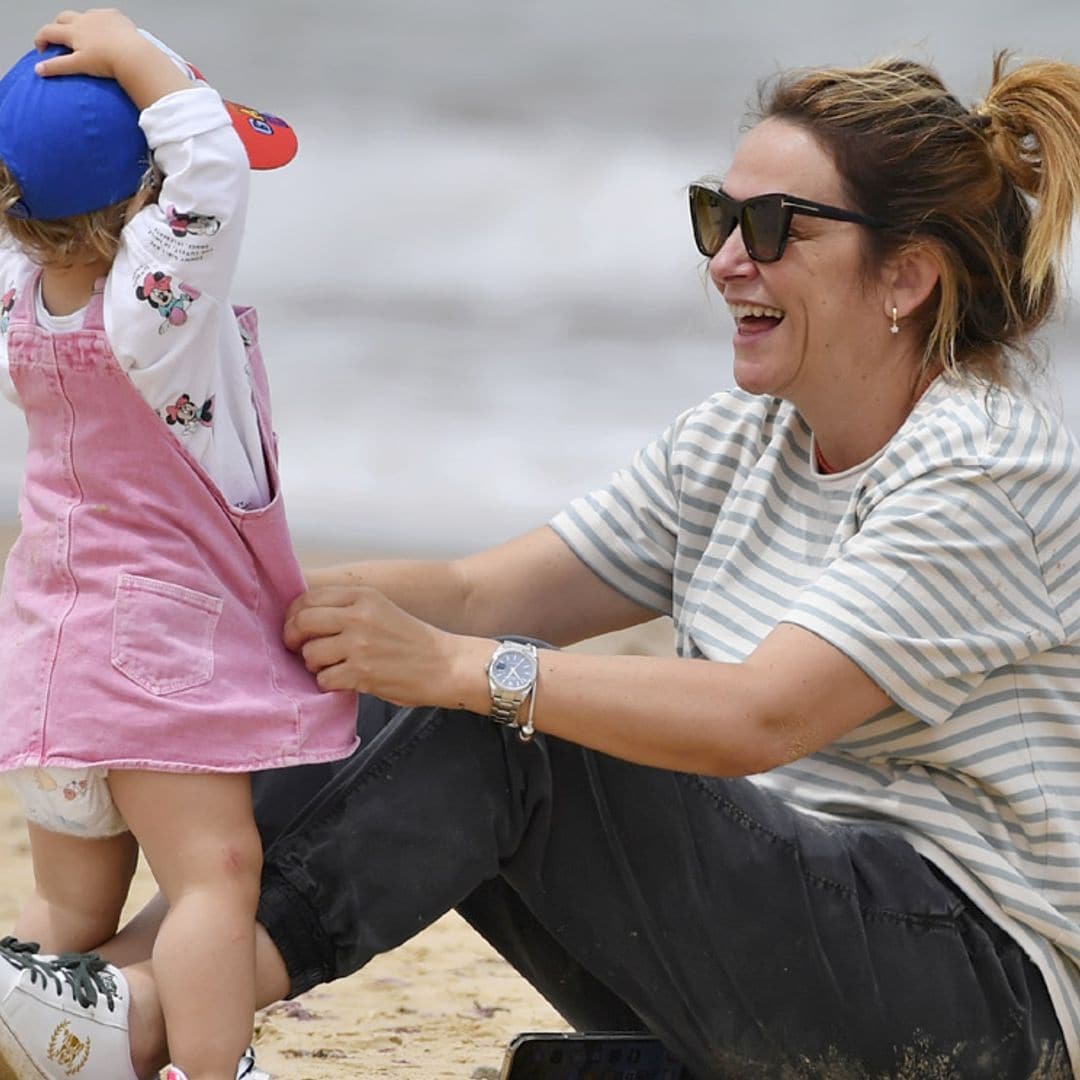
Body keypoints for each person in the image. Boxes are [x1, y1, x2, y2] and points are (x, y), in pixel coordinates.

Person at [2, 44, 1080, 1080]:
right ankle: (102, 995)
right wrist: (239, 601)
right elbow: (480, 590)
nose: (725, 258)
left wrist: (460, 668)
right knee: (366, 665)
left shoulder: (987, 469)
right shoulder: (740, 440)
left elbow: (764, 716)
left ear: (907, 280)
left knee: (504, 712)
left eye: (770, 226)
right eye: (717, 215)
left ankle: (128, 1022)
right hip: (753, 964)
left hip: (971, 1002)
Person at [0, 10, 356, 1080]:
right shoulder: (156, 309)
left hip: (49, 652)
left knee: (73, 911)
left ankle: (35, 1044)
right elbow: (212, 172)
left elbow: (153, 176)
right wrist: (136, 55)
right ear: (150, 200)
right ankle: (215, 1070)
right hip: (154, 644)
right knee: (214, 875)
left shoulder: (22, 299)